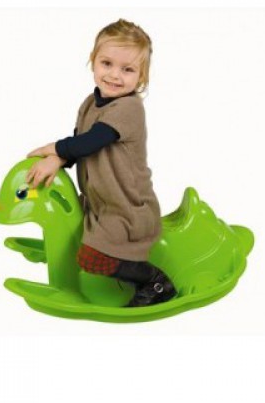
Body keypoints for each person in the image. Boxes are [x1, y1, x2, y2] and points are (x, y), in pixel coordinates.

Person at [25, 18, 176, 307]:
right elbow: (79, 143)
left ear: (141, 77)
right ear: (93, 61)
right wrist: (59, 157)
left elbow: (92, 141)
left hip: (127, 207)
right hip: (101, 204)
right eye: (107, 63)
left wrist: (54, 150)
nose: (115, 75)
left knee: (93, 259)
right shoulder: (89, 104)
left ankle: (154, 282)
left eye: (128, 69)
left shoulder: (129, 108)